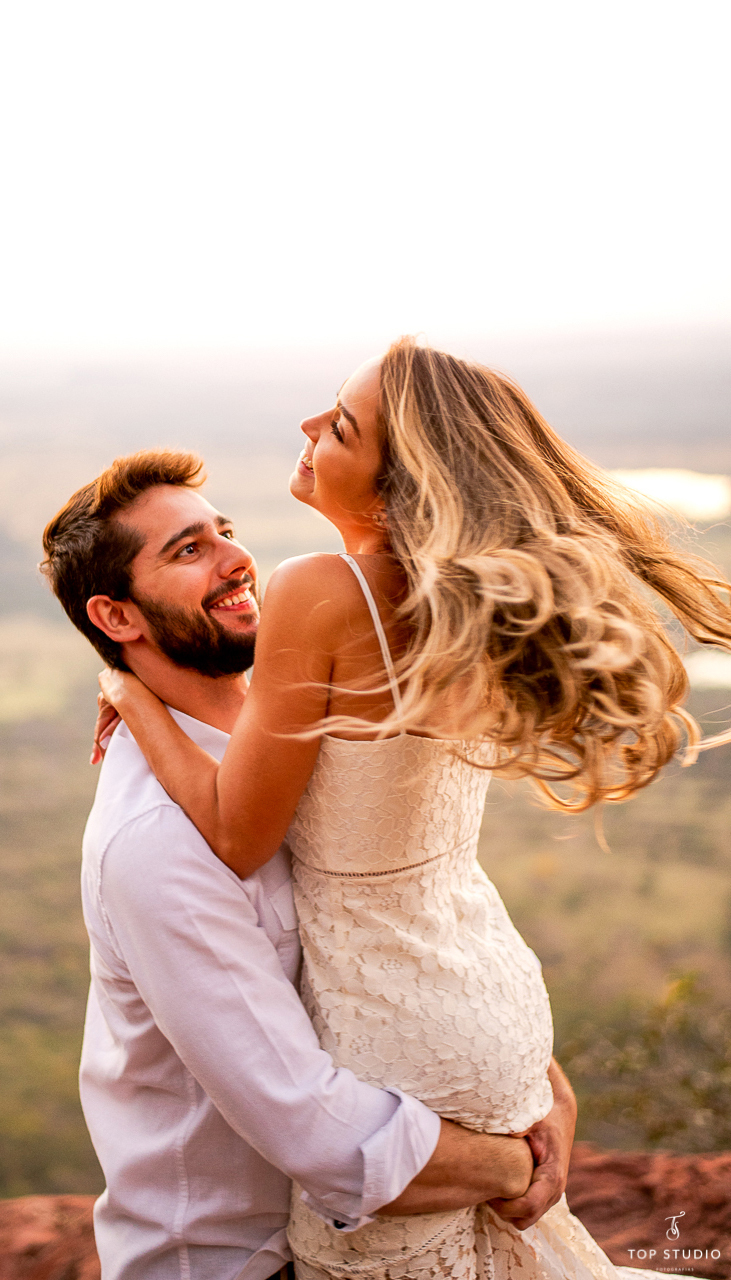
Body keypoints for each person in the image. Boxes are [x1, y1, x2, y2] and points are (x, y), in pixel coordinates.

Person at [93, 338, 731, 1279]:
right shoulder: (460, 608)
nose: (311, 427)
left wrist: (132, 699)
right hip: (490, 997)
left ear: (396, 490)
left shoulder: (322, 590)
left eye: (341, 425)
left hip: (394, 1032)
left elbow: (234, 835)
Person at [41, 450, 577, 1280]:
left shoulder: (287, 744)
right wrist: (517, 1159)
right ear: (117, 619)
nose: (232, 557)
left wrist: (535, 1084)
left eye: (225, 531)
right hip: (244, 1263)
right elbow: (321, 1135)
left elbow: (403, 930)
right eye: (188, 551)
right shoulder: (155, 843)